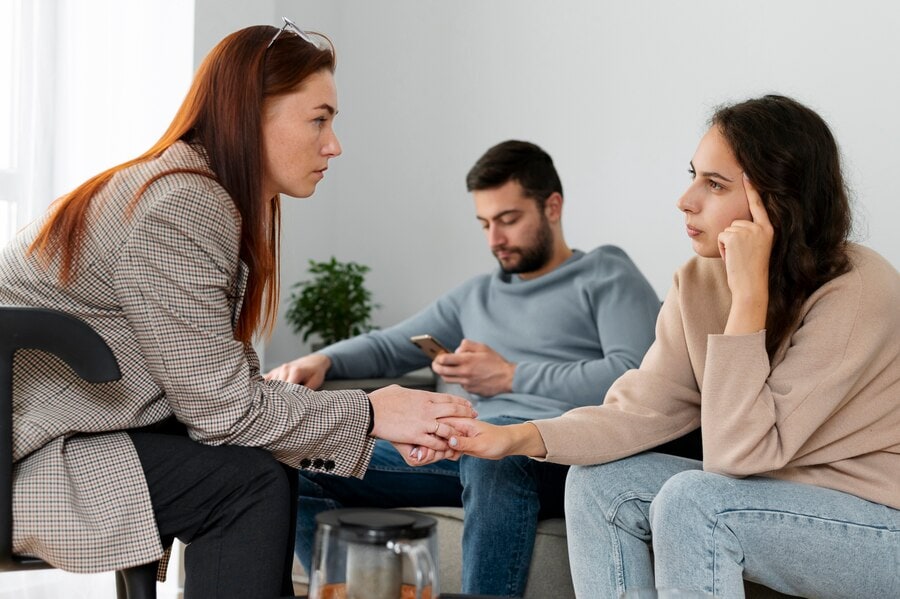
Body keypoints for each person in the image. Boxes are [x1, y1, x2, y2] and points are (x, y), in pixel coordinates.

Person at [0, 18, 476, 599]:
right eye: (318, 119)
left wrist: (373, 418)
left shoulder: (189, 188)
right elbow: (221, 410)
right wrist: (373, 413)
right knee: (248, 483)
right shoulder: (183, 203)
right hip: (22, 453)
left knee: (260, 469)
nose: (335, 144)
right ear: (251, 116)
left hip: (44, 433)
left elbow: (218, 394)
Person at [445, 95, 900, 599]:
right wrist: (515, 438)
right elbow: (639, 411)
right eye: (694, 175)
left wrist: (748, 298)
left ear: (773, 199)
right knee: (597, 484)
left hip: (877, 522)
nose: (686, 199)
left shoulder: (859, 288)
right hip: (771, 497)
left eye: (715, 184)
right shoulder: (699, 281)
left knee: (694, 499)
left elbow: (738, 456)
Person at [267, 139, 664, 596]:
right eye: (485, 224)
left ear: (552, 207)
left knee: (490, 455)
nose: (495, 239)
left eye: (509, 220)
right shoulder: (474, 296)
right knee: (290, 460)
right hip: (462, 450)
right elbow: (390, 345)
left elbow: (635, 378)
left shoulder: (605, 272)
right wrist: (324, 358)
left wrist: (511, 375)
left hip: (550, 451)